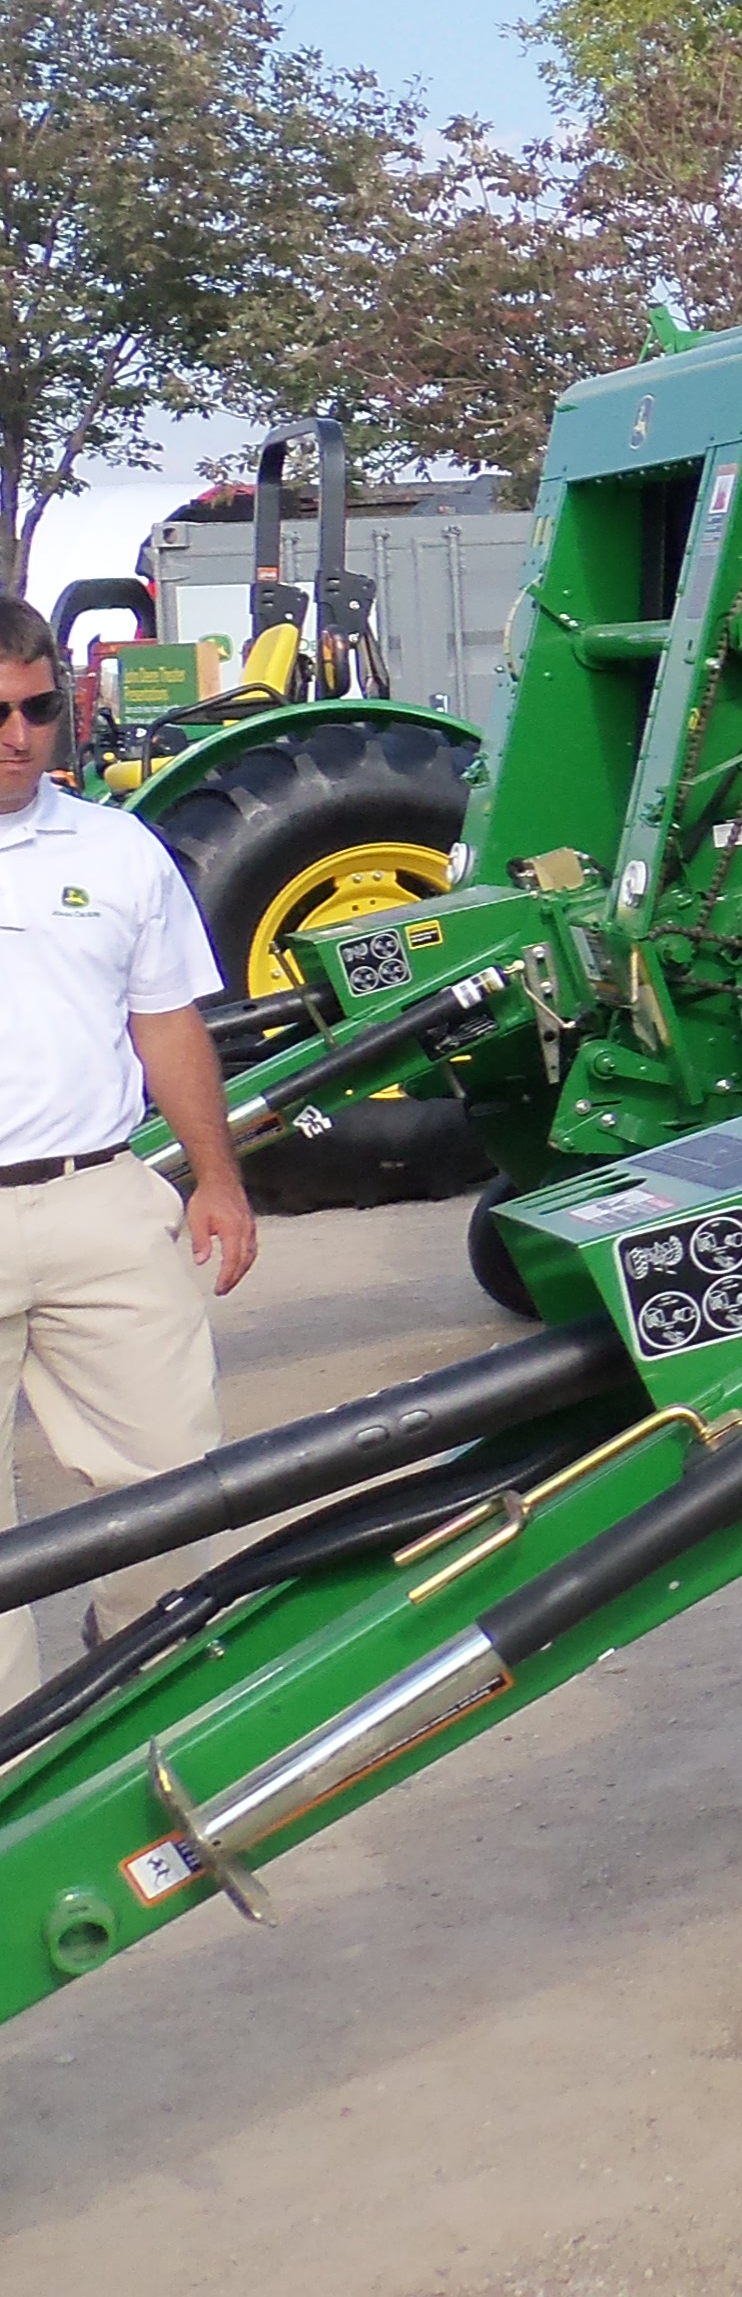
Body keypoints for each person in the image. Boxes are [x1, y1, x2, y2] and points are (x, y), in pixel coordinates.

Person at [0, 592, 256, 1704]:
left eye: (37, 708)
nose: (16, 738)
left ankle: (126, 1692)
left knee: (171, 1488)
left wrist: (217, 1179)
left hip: (99, 1202)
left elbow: (166, 1023)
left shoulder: (117, 851)